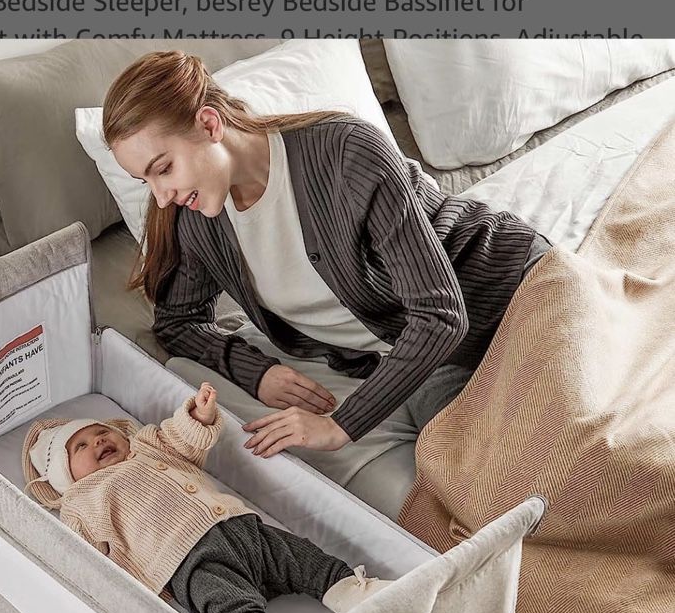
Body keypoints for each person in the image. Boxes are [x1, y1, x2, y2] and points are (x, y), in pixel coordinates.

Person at [101, 51, 551, 519]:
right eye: (145, 181)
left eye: (164, 168)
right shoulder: (198, 222)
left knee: (576, 459)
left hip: (511, 290)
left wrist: (340, 425)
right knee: (493, 502)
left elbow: (440, 314)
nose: (161, 197)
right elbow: (177, 323)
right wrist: (258, 373)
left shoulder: (345, 151)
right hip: (425, 360)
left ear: (210, 124)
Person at [23, 383, 387, 613]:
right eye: (80, 447)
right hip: (183, 561)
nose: (98, 440)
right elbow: (83, 556)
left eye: (100, 431)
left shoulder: (146, 446)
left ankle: (352, 591)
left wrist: (198, 415)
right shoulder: (81, 502)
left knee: (297, 554)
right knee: (223, 599)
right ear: (66, 477)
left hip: (239, 526)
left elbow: (179, 438)